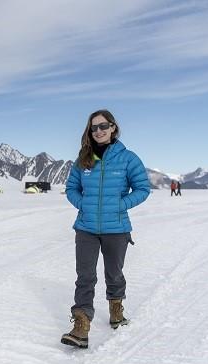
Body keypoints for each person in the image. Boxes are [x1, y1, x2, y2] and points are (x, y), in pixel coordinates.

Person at [61, 109, 151, 349]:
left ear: (113, 128)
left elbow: (143, 188)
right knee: (85, 276)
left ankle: (116, 310)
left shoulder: (128, 158)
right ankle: (81, 325)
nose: (98, 131)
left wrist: (121, 205)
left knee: (114, 273)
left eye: (103, 126)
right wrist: (84, 205)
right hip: (86, 227)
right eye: (94, 128)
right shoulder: (84, 159)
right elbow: (71, 189)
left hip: (117, 227)